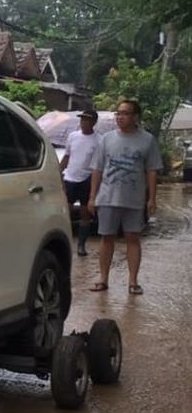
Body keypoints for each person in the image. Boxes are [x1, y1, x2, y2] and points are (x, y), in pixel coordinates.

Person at [87, 99, 162, 295]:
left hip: (134, 199)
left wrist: (151, 198)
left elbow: (152, 171)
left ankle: (133, 281)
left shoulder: (147, 140)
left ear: (135, 117)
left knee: (133, 239)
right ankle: (103, 278)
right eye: (118, 113)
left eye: (125, 113)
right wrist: (92, 197)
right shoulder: (107, 139)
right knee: (106, 238)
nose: (120, 117)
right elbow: (97, 169)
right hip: (107, 197)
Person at [59, 108, 100, 256]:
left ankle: (81, 245)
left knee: (85, 214)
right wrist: (58, 171)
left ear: (93, 122)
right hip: (70, 177)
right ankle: (64, 243)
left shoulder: (98, 141)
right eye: (82, 119)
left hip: (86, 179)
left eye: (87, 120)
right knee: (65, 211)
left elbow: (98, 166)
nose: (83, 122)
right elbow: (67, 156)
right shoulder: (73, 136)